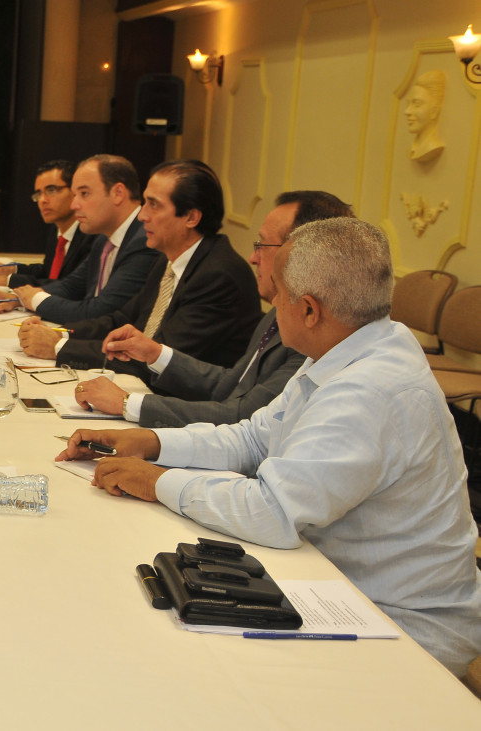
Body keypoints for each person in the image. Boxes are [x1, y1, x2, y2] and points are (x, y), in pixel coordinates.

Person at [57, 217, 481, 677]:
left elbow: (274, 513)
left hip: (399, 622)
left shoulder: (370, 389)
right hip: (340, 583)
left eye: (277, 293)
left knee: (185, 662)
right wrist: (153, 442)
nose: (272, 304)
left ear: (310, 310)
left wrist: (156, 482)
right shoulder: (350, 346)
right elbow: (255, 436)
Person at [71, 191, 353, 426]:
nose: (253, 257)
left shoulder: (315, 329)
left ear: (301, 255)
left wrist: (127, 403)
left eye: (262, 245)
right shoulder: (278, 310)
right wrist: (155, 353)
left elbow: (244, 415)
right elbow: (232, 384)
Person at [18, 159, 259, 376]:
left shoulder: (218, 275)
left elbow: (157, 359)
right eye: (145, 203)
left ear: (191, 218)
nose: (142, 215)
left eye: (154, 205)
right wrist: (61, 333)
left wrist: (58, 347)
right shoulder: (168, 259)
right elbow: (121, 320)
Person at [0, 154, 160, 324]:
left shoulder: (144, 241)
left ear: (118, 193)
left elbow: (99, 312)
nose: (74, 205)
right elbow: (71, 286)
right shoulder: (103, 239)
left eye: (84, 193)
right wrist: (18, 298)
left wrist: (35, 299)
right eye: (75, 195)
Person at [0, 160, 93, 289]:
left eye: (51, 190)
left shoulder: (91, 236)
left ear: (74, 191)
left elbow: (73, 287)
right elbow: (48, 272)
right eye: (39, 193)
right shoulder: (56, 228)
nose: (42, 200)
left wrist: (6, 281)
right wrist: (11, 269)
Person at [404, 70, 445, 163]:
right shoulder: (412, 149)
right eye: (408, 104)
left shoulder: (432, 147)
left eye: (417, 104)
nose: (407, 111)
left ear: (434, 111)